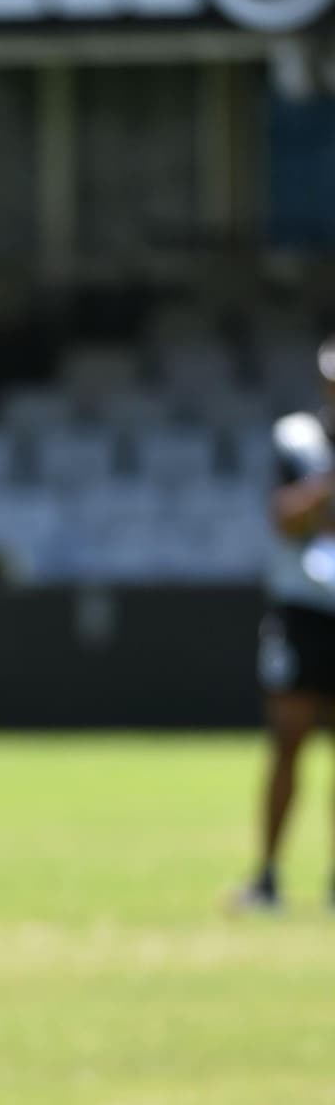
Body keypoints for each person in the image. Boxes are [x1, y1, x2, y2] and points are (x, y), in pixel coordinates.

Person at [235, 337, 335, 910]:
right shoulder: (299, 439)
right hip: (303, 606)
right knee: (289, 740)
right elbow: (285, 517)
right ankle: (269, 873)